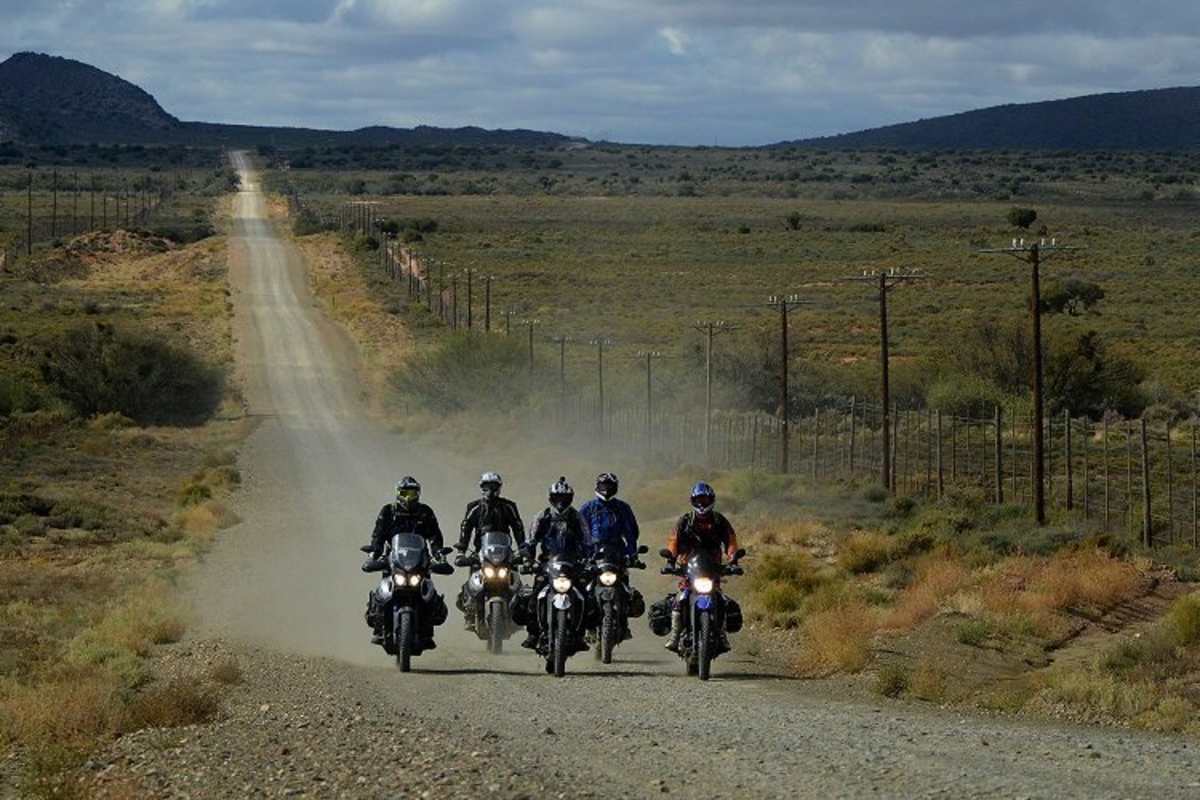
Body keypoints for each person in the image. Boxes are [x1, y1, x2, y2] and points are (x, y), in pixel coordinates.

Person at [362, 477, 446, 648]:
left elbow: (435, 536)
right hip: (394, 562)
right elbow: (377, 536)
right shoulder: (388, 511)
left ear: (418, 494)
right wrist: (373, 554)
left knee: (430, 596)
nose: (408, 497)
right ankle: (379, 628)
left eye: (412, 493)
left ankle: (426, 632)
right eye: (404, 493)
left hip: (420, 562)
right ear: (398, 493)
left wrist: (439, 554)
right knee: (382, 594)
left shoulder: (425, 512)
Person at [663, 481, 739, 653]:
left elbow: (731, 541)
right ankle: (675, 636)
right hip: (688, 567)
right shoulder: (685, 521)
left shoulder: (719, 521)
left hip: (712, 568)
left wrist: (733, 560)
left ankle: (721, 634)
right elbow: (673, 541)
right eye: (698, 500)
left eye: (705, 500)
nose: (702, 504)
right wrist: (670, 561)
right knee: (680, 599)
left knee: (721, 600)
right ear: (692, 501)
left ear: (711, 500)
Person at [521, 477, 591, 649]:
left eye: (564, 498)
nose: (561, 502)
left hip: (572, 565)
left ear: (570, 499)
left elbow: (588, 542)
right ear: (551, 498)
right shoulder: (542, 517)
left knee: (586, 599)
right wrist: (527, 559)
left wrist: (589, 561)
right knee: (532, 598)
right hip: (547, 565)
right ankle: (533, 633)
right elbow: (531, 541)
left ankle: (580, 635)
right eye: (557, 498)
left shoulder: (577, 518)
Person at [456, 471, 525, 628]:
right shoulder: (474, 507)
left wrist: (523, 550)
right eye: (487, 487)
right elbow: (465, 529)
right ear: (482, 488)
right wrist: (461, 551)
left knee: (518, 583)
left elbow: (518, 527)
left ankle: (517, 613)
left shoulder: (509, 506)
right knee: (472, 579)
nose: (491, 490)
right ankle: (469, 611)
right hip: (481, 552)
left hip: (505, 552)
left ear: (499, 488)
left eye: (494, 486)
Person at [578, 472, 640, 561]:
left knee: (623, 572)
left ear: (615, 487)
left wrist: (632, 553)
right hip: (594, 553)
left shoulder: (622, 507)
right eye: (604, 485)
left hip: (618, 552)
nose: (606, 489)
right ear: (598, 486)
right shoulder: (588, 507)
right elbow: (580, 531)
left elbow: (631, 532)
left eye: (609, 486)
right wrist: (583, 554)